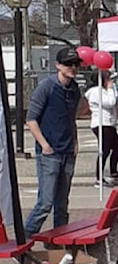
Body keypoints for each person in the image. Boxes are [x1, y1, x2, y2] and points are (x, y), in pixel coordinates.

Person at [23, 47, 83, 238]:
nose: (72, 68)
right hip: (50, 153)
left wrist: (75, 141)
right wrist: (44, 145)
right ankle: (24, 240)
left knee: (62, 205)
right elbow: (31, 119)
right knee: (45, 203)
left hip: (67, 151)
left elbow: (71, 117)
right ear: (58, 65)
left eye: (75, 64)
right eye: (68, 64)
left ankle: (58, 242)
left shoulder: (74, 90)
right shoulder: (46, 87)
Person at [85, 69, 118, 187]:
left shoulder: (104, 90)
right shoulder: (96, 92)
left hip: (109, 123)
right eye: (108, 79)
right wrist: (111, 89)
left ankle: (113, 171)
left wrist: (113, 90)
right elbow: (110, 102)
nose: (110, 81)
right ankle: (99, 178)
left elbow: (116, 100)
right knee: (104, 150)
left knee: (117, 147)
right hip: (102, 124)